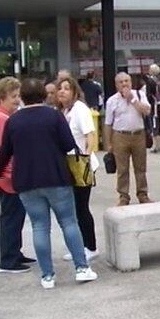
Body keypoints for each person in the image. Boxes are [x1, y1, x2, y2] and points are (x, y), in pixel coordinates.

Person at [0, 78, 98, 290]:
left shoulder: (13, 121)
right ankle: (81, 268)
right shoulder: (54, 115)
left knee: (39, 227)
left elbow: (5, 152)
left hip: (26, 181)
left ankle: (48, 275)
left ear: (22, 97)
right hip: (56, 177)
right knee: (69, 222)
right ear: (43, 95)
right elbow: (69, 144)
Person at [0, 77, 35, 274]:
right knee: (12, 218)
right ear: (2, 97)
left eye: (18, 95)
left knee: (13, 216)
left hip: (4, 177)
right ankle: (8, 259)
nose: (17, 100)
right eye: (13, 96)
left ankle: (14, 253)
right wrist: (11, 175)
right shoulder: (0, 119)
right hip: (7, 179)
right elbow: (0, 152)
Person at [56, 78, 100, 262]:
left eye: (67, 88)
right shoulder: (63, 111)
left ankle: (91, 246)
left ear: (75, 92)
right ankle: (79, 245)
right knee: (73, 208)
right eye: (60, 88)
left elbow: (90, 134)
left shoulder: (80, 109)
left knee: (81, 207)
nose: (62, 91)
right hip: (69, 165)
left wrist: (86, 157)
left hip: (81, 164)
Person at [104, 73, 152, 206]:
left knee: (140, 167)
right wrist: (108, 144)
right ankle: (123, 196)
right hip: (120, 136)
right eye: (121, 82)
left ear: (131, 82)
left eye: (126, 81)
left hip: (138, 135)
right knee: (122, 169)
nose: (124, 84)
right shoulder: (112, 101)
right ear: (116, 85)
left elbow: (147, 111)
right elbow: (108, 123)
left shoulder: (140, 95)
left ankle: (142, 194)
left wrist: (132, 99)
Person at [144, 64, 160, 153]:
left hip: (154, 105)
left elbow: (149, 94)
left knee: (154, 125)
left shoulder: (150, 80)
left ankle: (156, 146)